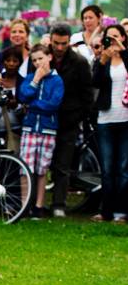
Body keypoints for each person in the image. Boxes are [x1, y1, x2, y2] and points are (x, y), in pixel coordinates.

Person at [48, 23, 94, 217]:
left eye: (64, 44)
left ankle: (59, 203)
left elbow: (87, 94)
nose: (59, 48)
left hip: (69, 118)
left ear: (69, 42)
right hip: (46, 118)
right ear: (51, 40)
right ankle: (37, 200)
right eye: (56, 43)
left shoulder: (79, 62)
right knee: (42, 162)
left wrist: (80, 117)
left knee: (63, 163)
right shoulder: (44, 57)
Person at [18, 44, 64, 218]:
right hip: (30, 127)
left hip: (48, 129)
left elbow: (53, 104)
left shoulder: (57, 80)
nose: (38, 63)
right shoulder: (30, 77)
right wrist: (36, 79)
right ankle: (24, 204)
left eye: (41, 58)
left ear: (49, 57)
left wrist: (32, 105)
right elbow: (23, 96)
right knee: (25, 167)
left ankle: (38, 204)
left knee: (42, 169)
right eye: (34, 60)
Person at [91, 24, 128, 223]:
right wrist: (102, 61)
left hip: (125, 118)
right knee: (107, 168)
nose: (112, 41)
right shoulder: (102, 60)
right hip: (106, 117)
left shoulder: (126, 58)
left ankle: (121, 211)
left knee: (122, 168)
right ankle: (106, 210)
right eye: (109, 37)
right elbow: (95, 82)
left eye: (116, 37)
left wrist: (123, 51)